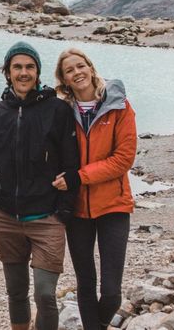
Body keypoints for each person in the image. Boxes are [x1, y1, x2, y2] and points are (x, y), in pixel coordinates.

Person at [0, 42, 79, 330]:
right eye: (17, 67)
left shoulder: (58, 110)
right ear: (8, 73)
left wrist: (64, 209)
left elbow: (71, 163)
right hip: (6, 217)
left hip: (47, 218)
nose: (24, 73)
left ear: (38, 72)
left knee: (45, 294)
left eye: (29, 67)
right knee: (16, 292)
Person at [52, 48, 137, 330]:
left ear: (90, 67)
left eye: (81, 66)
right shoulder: (63, 112)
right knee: (85, 284)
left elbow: (123, 159)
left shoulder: (119, 106)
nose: (77, 73)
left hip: (113, 205)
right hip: (76, 209)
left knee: (111, 290)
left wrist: (80, 177)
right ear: (64, 79)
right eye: (69, 70)